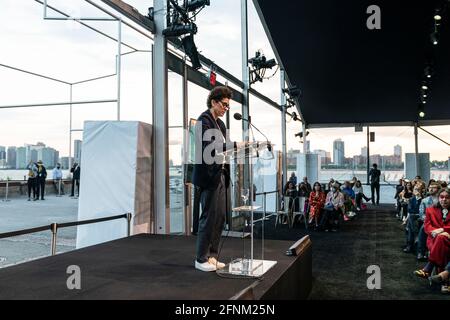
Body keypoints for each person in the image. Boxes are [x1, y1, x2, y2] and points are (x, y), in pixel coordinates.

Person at [192, 86, 242, 272]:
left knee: (219, 217)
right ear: (214, 101)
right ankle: (200, 258)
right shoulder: (203, 121)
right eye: (224, 105)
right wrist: (237, 144)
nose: (225, 109)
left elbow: (225, 148)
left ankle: (211, 255)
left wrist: (237, 147)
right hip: (207, 177)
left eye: (228, 106)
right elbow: (211, 146)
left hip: (220, 174)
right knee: (208, 216)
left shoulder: (220, 125)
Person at [414, 187, 450, 279]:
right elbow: (427, 227)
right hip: (433, 239)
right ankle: (445, 282)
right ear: (438, 198)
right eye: (442, 197)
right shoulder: (430, 210)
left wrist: (443, 230)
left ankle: (428, 268)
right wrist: (435, 232)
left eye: (447, 197)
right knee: (441, 239)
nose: (444, 199)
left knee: (442, 240)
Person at [416, 182, 441, 261]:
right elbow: (421, 213)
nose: (431, 189)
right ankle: (421, 252)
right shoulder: (425, 200)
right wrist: (428, 221)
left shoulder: (442, 199)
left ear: (438, 189)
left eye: (433, 187)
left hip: (440, 222)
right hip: (428, 222)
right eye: (430, 187)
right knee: (424, 227)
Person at [403, 183, 425, 253]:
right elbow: (410, 210)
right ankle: (416, 236)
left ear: (422, 191)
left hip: (422, 217)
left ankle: (409, 245)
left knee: (410, 222)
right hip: (413, 216)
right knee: (411, 220)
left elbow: (423, 211)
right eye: (415, 189)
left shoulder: (424, 199)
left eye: (418, 190)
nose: (417, 191)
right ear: (413, 190)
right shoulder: (411, 199)